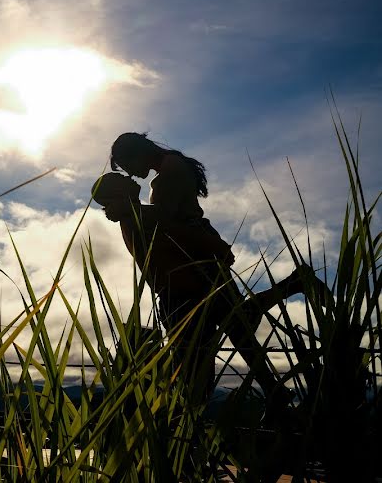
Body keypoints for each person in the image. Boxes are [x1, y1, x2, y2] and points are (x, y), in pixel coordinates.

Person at [96, 133, 312, 406]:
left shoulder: (169, 171)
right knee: (238, 324)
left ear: (137, 153)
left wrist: (131, 211)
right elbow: (165, 223)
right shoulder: (161, 176)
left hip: (198, 258)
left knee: (235, 328)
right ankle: (276, 391)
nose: (131, 175)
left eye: (127, 167)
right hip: (191, 262)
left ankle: (273, 394)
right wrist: (129, 211)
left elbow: (167, 219)